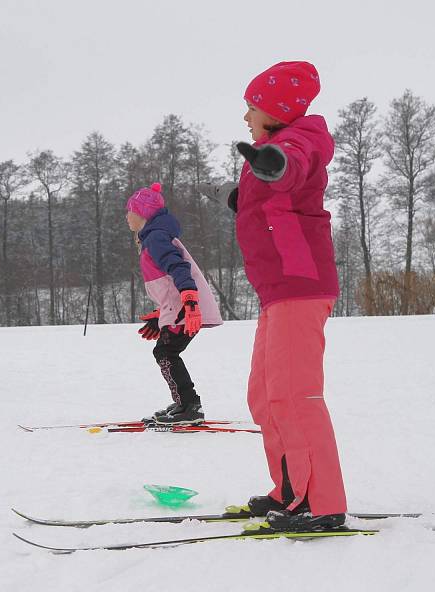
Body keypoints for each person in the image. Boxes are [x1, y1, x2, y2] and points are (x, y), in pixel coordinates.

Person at [200, 61, 346, 531]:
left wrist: (275, 165)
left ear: (276, 111)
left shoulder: (299, 141)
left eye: (251, 107)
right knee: (265, 396)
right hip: (277, 292)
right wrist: (239, 194)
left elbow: (294, 165)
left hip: (299, 288)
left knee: (296, 395)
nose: (245, 117)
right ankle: (289, 489)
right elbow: (275, 195)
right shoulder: (271, 152)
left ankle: (321, 502)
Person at [126, 182, 223, 425]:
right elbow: (169, 283)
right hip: (179, 307)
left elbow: (179, 268)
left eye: (131, 211)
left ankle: (189, 406)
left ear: (144, 215)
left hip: (186, 307)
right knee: (167, 352)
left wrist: (190, 303)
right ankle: (184, 402)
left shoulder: (156, 238)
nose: (127, 217)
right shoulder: (154, 237)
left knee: (166, 352)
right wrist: (163, 314)